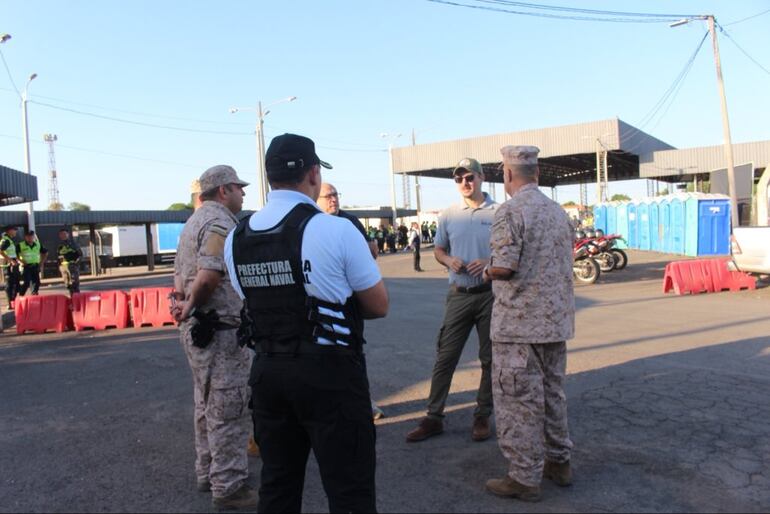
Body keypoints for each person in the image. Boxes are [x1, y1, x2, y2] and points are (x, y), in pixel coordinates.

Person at [225, 133, 388, 513]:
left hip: (267, 373)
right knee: (349, 489)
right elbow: (378, 305)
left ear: (269, 178)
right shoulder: (336, 229)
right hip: (329, 373)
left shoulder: (237, 236)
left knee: (278, 485)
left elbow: (251, 299)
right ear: (314, 174)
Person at [483, 146, 575, 502]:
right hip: (555, 325)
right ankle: (560, 462)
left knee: (518, 401)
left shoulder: (510, 212)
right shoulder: (557, 213)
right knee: (553, 394)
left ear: (507, 174)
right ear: (536, 173)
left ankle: (524, 478)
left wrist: (486, 269)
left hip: (518, 329)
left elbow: (505, 267)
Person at [171, 165, 257, 511]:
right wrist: (193, 306)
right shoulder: (220, 222)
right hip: (219, 330)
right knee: (228, 407)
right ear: (223, 190)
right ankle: (230, 485)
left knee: (205, 403)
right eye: (238, 187)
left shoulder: (193, 221)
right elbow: (207, 277)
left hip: (199, 331)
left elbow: (182, 277)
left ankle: (207, 471)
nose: (243, 193)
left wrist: (184, 309)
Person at [405, 157, 498, 443]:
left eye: (469, 177)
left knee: (490, 359)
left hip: (489, 295)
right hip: (459, 294)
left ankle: (482, 414)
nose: (465, 183)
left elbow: (511, 250)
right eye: (459, 179)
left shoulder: (499, 212)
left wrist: (489, 261)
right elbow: (439, 249)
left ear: (481, 178)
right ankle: (434, 417)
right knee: (446, 357)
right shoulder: (448, 214)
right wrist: (448, 260)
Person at [317, 182, 378, 260]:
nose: (334, 200)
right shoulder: (310, 221)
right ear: (316, 199)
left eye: (335, 195)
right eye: (328, 196)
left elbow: (372, 251)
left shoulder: (351, 221)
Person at [17, 231, 48, 296]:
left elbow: (45, 253)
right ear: (25, 237)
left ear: (34, 237)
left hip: (35, 265)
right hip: (26, 266)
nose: (30, 238)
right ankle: (21, 294)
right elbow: (15, 255)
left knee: (37, 282)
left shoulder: (38, 244)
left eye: (31, 236)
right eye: (28, 237)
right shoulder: (20, 245)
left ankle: (34, 294)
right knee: (27, 282)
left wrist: (41, 262)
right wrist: (20, 261)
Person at [57, 229, 82, 296]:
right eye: (61, 234)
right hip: (64, 267)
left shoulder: (73, 244)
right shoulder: (59, 245)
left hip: (72, 266)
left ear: (68, 235)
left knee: (74, 284)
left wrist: (76, 264)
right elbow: (58, 256)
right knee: (68, 284)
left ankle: (77, 299)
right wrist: (60, 266)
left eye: (64, 234)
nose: (63, 236)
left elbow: (80, 255)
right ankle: (72, 297)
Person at [0, 226, 21, 309]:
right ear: (9, 231)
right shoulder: (6, 240)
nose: (16, 232)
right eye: (14, 230)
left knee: (16, 284)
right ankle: (10, 303)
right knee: (10, 284)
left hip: (13, 265)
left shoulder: (10, 240)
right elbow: (0, 251)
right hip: (8, 265)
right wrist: (10, 260)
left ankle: (13, 301)